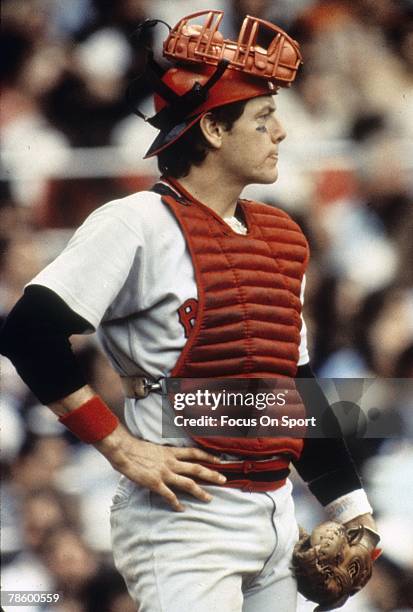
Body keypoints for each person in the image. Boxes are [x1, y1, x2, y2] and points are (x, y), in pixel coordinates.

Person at [0, 10, 380, 612]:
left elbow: (293, 388)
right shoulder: (135, 223)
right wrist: (121, 448)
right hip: (184, 521)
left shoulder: (282, 234)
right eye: (263, 118)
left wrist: (351, 509)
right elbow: (28, 332)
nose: (280, 133)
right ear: (212, 131)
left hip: (277, 510)